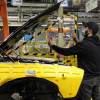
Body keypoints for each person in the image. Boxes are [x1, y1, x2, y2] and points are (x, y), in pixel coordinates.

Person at [48, 21, 100, 100]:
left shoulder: (84, 45)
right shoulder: (97, 43)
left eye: (85, 28)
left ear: (90, 30)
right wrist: (76, 41)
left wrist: (53, 46)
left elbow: (66, 52)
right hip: (97, 78)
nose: (83, 29)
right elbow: (87, 49)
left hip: (86, 79)